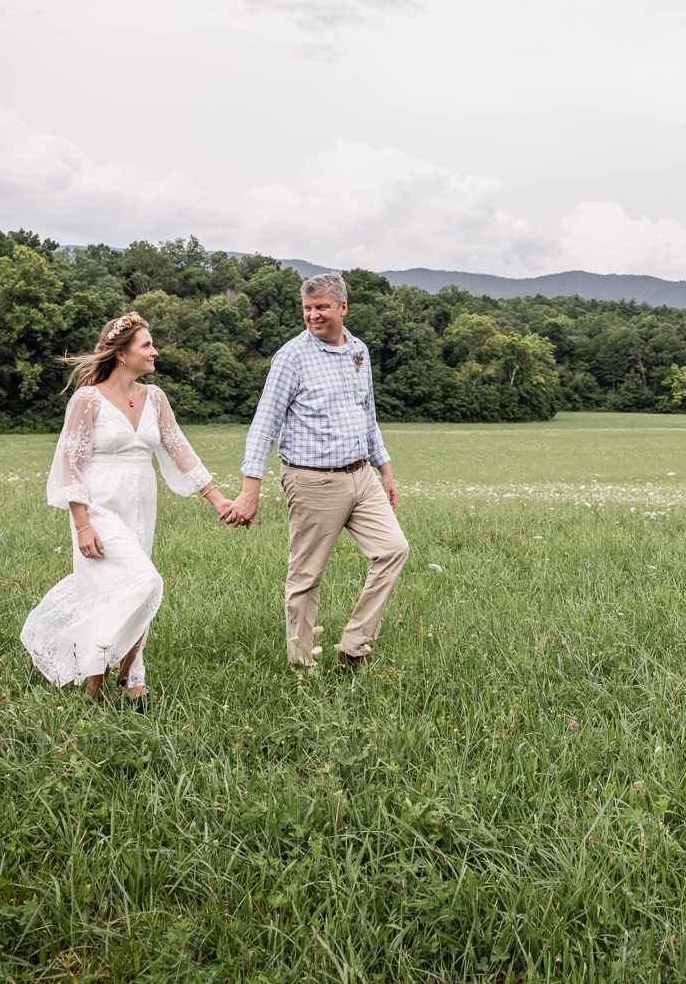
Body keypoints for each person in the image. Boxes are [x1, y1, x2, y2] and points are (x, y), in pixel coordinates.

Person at [22, 312, 232, 707]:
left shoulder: (155, 397)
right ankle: (106, 677)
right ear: (122, 354)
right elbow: (70, 464)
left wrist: (216, 497)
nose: (155, 351)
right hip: (99, 505)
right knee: (144, 581)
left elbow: (179, 449)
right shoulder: (88, 400)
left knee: (129, 591)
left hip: (141, 501)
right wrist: (82, 524)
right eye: (147, 345)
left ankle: (127, 678)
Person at [227, 273, 408, 674]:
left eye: (322, 307)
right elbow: (265, 423)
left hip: (362, 476)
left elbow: (368, 413)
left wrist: (385, 469)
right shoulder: (291, 357)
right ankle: (302, 666)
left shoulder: (359, 351)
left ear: (343, 307)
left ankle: (355, 646)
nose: (313, 315)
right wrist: (249, 488)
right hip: (313, 480)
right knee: (306, 576)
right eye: (308, 309)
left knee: (394, 550)